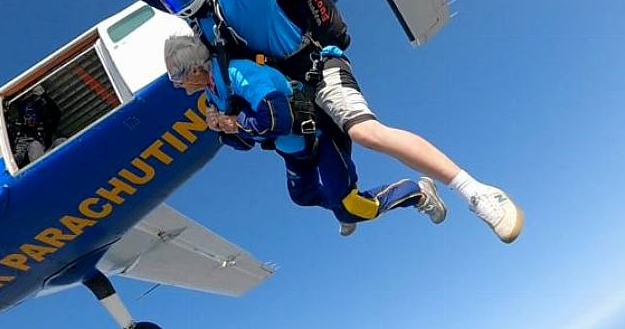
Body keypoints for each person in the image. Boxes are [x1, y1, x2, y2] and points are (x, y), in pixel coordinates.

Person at [87, 0, 522, 243]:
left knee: (366, 132)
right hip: (294, 96)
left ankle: (475, 191)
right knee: (311, 193)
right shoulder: (202, 32)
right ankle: (347, 204)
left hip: (319, 66)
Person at [164, 32, 445, 235]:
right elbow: (246, 143)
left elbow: (278, 119)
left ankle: (416, 191)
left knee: (352, 207)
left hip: (320, 134)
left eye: (176, 78)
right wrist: (221, 129)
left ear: (193, 70)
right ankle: (339, 202)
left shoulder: (238, 73)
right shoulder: (213, 97)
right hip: (294, 150)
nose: (176, 85)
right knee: (303, 195)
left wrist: (234, 123)